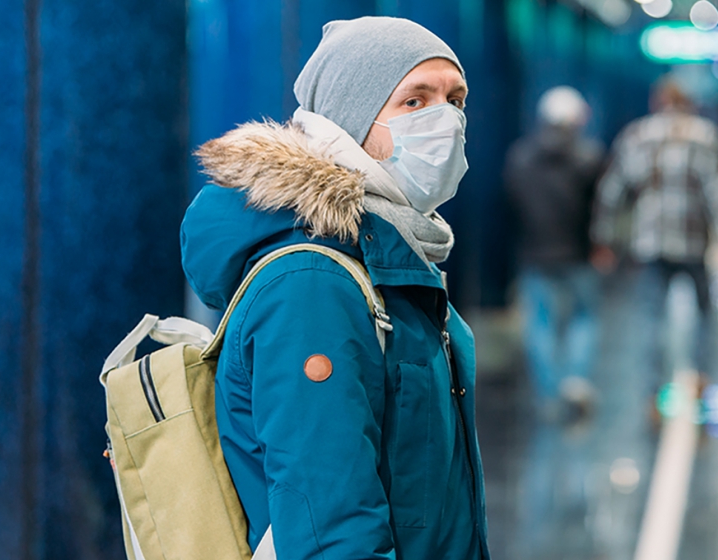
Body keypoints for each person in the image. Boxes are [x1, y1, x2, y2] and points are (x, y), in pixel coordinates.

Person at [180, 17, 489, 559]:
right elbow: (332, 529)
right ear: (351, 119)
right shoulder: (312, 285)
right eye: (415, 101)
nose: (446, 120)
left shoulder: (390, 257)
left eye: (454, 99)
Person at [591, 78, 718, 417]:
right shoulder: (706, 137)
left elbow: (613, 191)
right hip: (695, 242)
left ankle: (654, 390)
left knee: (651, 318)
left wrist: (604, 239)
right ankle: (700, 378)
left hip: (651, 243)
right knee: (704, 315)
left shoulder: (637, 135)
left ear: (657, 101)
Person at [504, 86, 605, 422]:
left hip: (534, 253)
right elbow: (600, 208)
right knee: (583, 317)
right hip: (578, 252)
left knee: (541, 323)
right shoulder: (590, 157)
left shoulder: (520, 157)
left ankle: (549, 393)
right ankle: (575, 379)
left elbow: (510, 207)